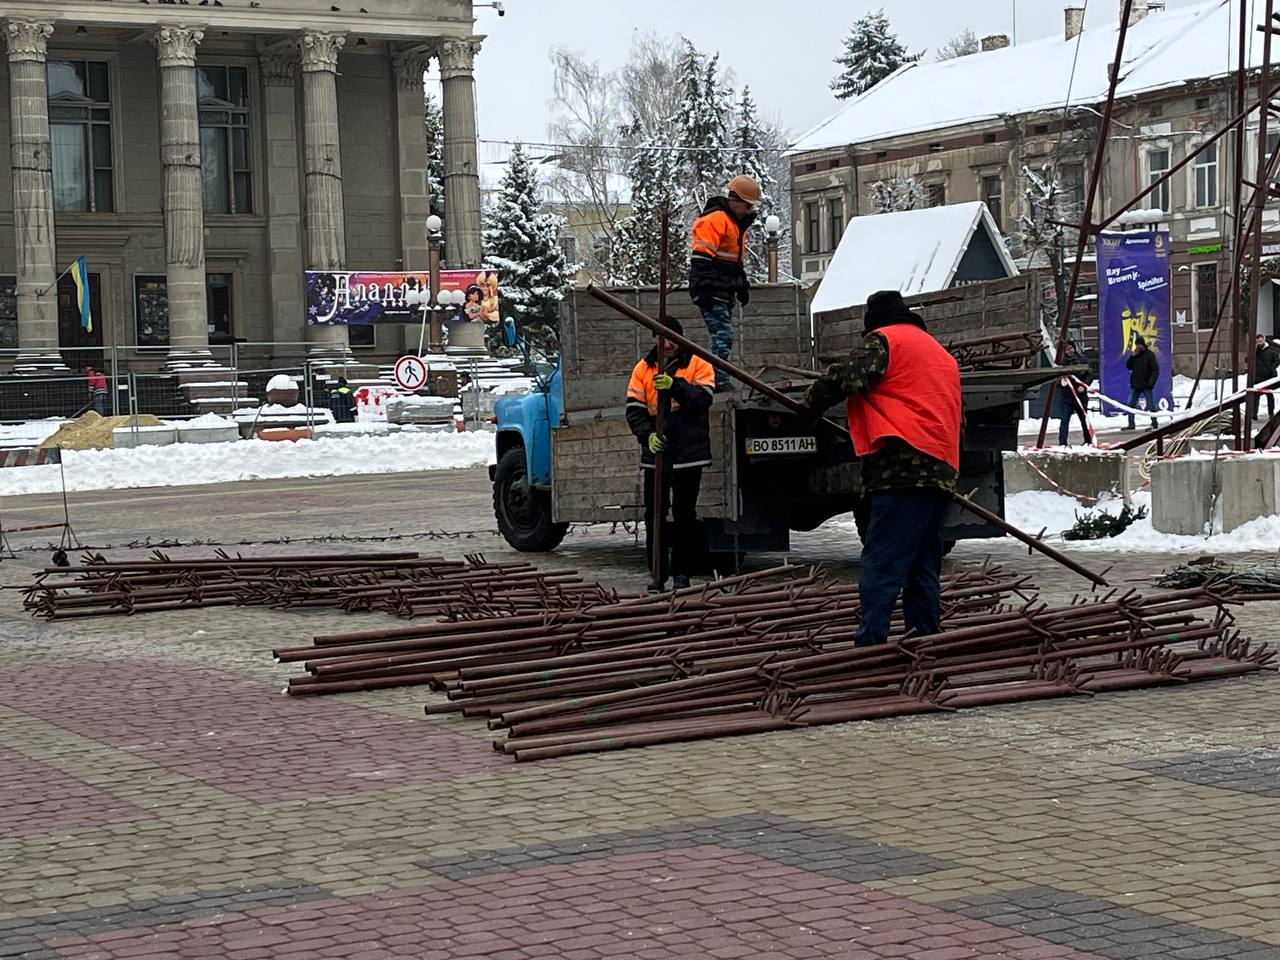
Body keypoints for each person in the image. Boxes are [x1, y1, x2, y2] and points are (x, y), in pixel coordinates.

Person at [798, 290, 961, 647]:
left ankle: (870, 645)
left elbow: (850, 377)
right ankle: (924, 642)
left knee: (882, 562)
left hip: (902, 469)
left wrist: (808, 405)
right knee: (922, 566)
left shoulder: (886, 341)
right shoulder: (937, 352)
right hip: (941, 469)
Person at [625, 317, 716, 593]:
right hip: (658, 451)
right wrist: (647, 435)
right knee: (655, 514)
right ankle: (657, 574)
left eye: (672, 339)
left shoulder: (699, 362)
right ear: (656, 339)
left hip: (689, 450)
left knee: (685, 514)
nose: (667, 345)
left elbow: (703, 399)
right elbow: (634, 409)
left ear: (679, 339)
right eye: (662, 339)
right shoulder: (643, 368)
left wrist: (675, 385)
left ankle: (682, 574)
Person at [689, 174, 760, 391]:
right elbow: (701, 259)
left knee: (721, 334)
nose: (749, 212)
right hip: (711, 289)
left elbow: (733, 263)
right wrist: (708, 287)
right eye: (747, 206)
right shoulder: (715, 220)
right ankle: (717, 379)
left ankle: (717, 377)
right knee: (723, 334)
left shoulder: (735, 226)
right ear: (735, 200)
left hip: (722, 289)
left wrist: (742, 284)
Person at [1054, 342, 1092, 447]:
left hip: (1081, 397)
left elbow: (1090, 375)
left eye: (1071, 348)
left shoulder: (1082, 360)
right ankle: (1062, 443)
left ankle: (1088, 441)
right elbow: (1056, 378)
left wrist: (1083, 386)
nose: (1069, 351)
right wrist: (1061, 383)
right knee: (1064, 421)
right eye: (1067, 349)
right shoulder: (1062, 363)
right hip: (1067, 397)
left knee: (1084, 421)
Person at [1124, 335, 1159, 430]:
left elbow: (1155, 370)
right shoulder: (1135, 355)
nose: (1138, 347)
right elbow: (1129, 366)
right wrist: (1131, 357)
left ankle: (1154, 423)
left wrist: (1151, 383)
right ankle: (1131, 424)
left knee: (1151, 405)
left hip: (1146, 384)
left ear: (1143, 345)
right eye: (1137, 345)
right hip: (1136, 384)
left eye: (1139, 345)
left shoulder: (1149, 355)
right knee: (1131, 405)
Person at [1251, 334, 1280, 421]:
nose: (1259, 343)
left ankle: (1271, 413)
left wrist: (1271, 369)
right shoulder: (1254, 351)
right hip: (1258, 377)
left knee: (1269, 396)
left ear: (1264, 340)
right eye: (1257, 342)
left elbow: (1277, 360)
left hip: (1269, 377)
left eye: (1260, 341)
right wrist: (1254, 351)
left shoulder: (1271, 350)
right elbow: (1247, 360)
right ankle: (1254, 414)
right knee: (1255, 396)